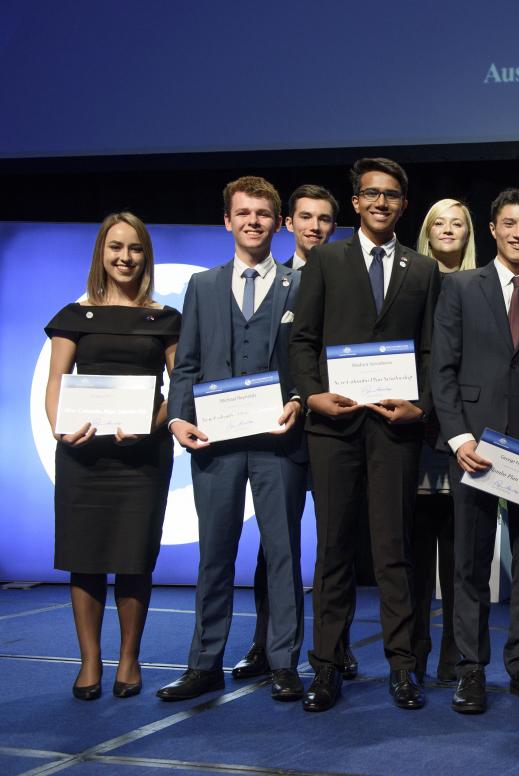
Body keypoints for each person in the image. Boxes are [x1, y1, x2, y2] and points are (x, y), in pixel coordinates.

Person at [289, 157, 441, 713]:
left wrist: (420, 405)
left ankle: (403, 667)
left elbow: (430, 350)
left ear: (405, 204)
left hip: (393, 431)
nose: (381, 202)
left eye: (392, 195)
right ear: (355, 202)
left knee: (394, 550)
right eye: (371, 194)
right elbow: (302, 340)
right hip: (333, 427)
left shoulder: (422, 270)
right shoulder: (326, 260)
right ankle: (326, 667)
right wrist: (311, 395)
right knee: (333, 550)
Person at [160, 177, 308, 704]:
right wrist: (178, 419)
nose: (253, 221)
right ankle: (204, 664)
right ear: (227, 220)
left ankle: (283, 661)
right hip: (215, 443)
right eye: (243, 213)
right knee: (215, 555)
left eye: (263, 214)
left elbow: (309, 362)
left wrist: (298, 400)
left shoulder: (300, 284)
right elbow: (187, 364)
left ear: (278, 222)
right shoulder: (202, 285)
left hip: (279, 443)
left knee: (284, 555)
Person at [432, 188, 519, 715]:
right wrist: (458, 437)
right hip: (473, 445)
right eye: (509, 224)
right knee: (469, 564)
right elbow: (442, 371)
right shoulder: (462, 288)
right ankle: (470, 669)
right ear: (492, 229)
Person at [44, 213, 180, 700]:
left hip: (142, 456)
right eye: (116, 247)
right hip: (84, 456)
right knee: (86, 559)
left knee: (134, 557)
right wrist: (61, 428)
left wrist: (152, 424)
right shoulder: (72, 316)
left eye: (135, 248)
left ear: (146, 255)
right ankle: (88, 662)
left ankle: (128, 658)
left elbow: (180, 387)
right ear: (101, 253)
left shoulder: (164, 318)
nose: (125, 257)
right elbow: (56, 381)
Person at [234, 182, 346, 683]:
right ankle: (265, 643)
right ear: (289, 224)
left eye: (323, 219)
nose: (314, 227)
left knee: (334, 544)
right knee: (274, 547)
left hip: (335, 430)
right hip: (279, 433)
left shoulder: (348, 281)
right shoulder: (270, 281)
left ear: (334, 227)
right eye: (305, 217)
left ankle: (333, 646)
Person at [410, 197, 477, 685]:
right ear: (427, 231)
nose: (449, 230)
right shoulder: (409, 279)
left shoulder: (481, 285)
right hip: (410, 432)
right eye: (440, 222)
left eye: (458, 223)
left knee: (461, 555)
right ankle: (412, 650)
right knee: (412, 552)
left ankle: (456, 653)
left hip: (463, 435)